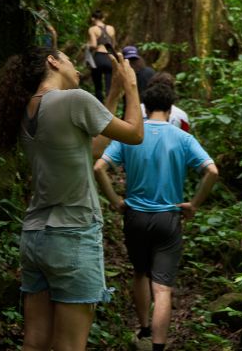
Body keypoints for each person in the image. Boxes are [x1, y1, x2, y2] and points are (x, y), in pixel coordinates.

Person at [0, 45, 143, 351]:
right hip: (72, 235)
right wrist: (131, 87)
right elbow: (135, 134)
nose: (77, 68)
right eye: (71, 61)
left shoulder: (27, 110)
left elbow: (92, 150)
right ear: (53, 61)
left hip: (35, 237)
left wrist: (112, 94)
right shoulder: (74, 100)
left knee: (35, 342)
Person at [93, 84, 219, 351]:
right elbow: (212, 171)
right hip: (169, 218)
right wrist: (194, 204)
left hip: (135, 216)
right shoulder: (182, 138)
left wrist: (116, 201)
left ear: (145, 108)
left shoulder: (131, 136)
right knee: (162, 288)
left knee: (140, 273)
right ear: (171, 108)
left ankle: (144, 329)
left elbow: (99, 167)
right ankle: (159, 346)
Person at [87, 9, 116, 101]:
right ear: (103, 18)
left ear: (93, 19)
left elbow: (94, 45)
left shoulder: (92, 29)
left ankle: (100, 107)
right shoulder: (111, 28)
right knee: (109, 87)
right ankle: (110, 109)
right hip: (109, 57)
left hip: (98, 57)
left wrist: (87, 46)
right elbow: (113, 44)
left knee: (98, 87)